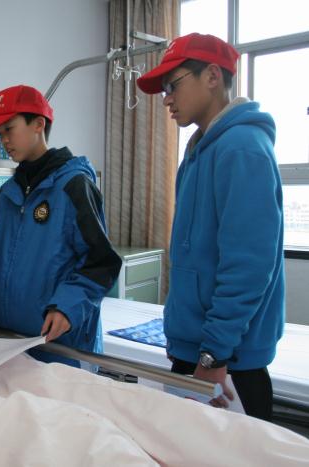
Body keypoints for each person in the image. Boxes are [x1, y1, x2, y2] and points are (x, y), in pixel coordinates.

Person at [136, 33, 284, 421]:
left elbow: (249, 265)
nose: (166, 99)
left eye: (173, 85)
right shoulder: (199, 152)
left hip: (227, 362)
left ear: (213, 76)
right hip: (197, 351)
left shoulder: (241, 148)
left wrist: (214, 354)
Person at [0, 85, 122, 365]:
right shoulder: (9, 193)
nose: (4, 140)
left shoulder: (74, 186)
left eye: (9, 129)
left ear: (38, 124)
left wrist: (67, 307)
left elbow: (100, 263)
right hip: (8, 340)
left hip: (59, 346)